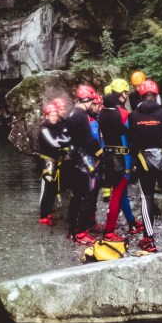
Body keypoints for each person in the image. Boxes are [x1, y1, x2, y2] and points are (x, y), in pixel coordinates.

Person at [127, 79, 162, 253]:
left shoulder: (133, 115)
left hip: (143, 160)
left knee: (146, 197)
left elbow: (132, 138)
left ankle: (149, 238)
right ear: (155, 95)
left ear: (141, 95)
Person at [65, 85, 102, 243]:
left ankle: (72, 228)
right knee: (88, 194)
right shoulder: (81, 116)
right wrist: (100, 153)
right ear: (89, 100)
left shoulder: (72, 113)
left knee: (76, 196)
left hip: (74, 158)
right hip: (84, 160)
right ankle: (80, 232)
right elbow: (88, 140)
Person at [97, 85, 134, 242]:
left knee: (121, 191)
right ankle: (109, 231)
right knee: (117, 195)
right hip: (122, 159)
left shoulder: (101, 114)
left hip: (108, 157)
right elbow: (131, 135)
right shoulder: (124, 114)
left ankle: (132, 222)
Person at [37, 103, 70, 225]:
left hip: (55, 160)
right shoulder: (44, 128)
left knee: (53, 187)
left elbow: (62, 138)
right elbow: (54, 143)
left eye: (56, 115)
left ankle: (48, 212)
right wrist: (68, 142)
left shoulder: (56, 126)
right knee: (48, 187)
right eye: (52, 115)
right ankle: (43, 216)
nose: (55, 117)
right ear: (47, 116)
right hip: (47, 161)